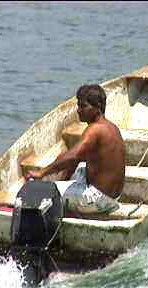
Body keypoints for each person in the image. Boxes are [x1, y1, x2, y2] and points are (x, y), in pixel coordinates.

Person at [25, 84, 125, 214]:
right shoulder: (111, 127)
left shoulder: (95, 130)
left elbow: (73, 156)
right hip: (113, 196)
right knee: (68, 158)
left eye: (83, 106)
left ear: (98, 107)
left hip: (98, 199)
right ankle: (62, 191)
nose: (78, 110)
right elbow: (75, 158)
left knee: (40, 192)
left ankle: (57, 203)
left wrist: (42, 172)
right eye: (78, 105)